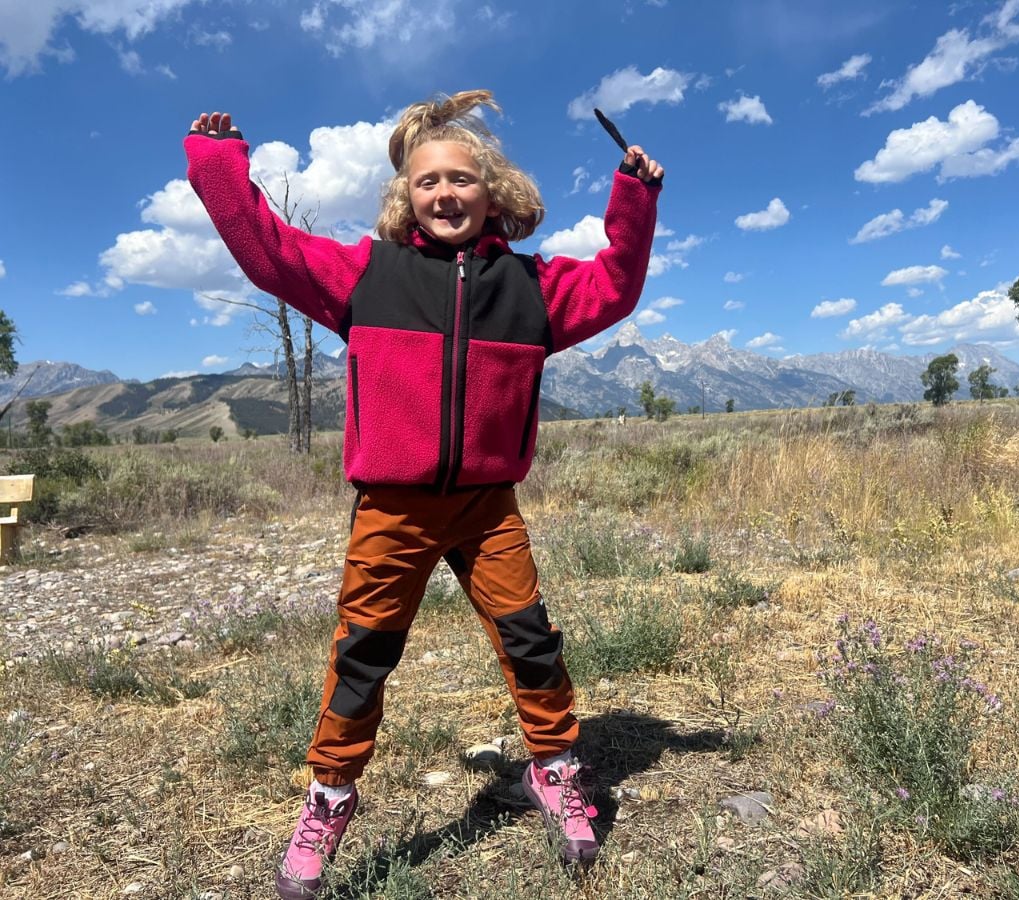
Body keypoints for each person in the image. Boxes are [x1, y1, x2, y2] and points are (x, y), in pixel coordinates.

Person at [184, 90, 663, 898]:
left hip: (486, 507)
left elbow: (615, 284)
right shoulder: (366, 277)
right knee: (362, 657)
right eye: (427, 181)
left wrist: (634, 196)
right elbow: (266, 249)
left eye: (462, 180)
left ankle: (553, 771)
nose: (445, 194)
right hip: (393, 511)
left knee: (531, 643)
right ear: (406, 196)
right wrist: (218, 166)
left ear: (493, 191)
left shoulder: (531, 288)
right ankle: (329, 799)